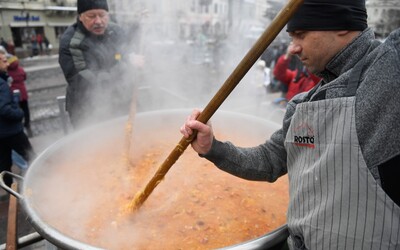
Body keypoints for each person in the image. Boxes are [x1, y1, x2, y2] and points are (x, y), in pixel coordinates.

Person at [180, 0, 400, 248]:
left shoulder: (387, 74)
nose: (293, 48)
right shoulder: (300, 105)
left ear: (341, 24)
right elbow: (268, 161)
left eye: (300, 35)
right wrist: (213, 148)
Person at [59, 0, 144, 129]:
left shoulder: (114, 31)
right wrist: (126, 66)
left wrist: (137, 25)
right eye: (92, 16)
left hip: (120, 103)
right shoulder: (71, 42)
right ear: (80, 17)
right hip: (87, 111)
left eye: (102, 15)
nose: (98, 21)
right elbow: (84, 82)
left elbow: (127, 46)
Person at [0, 53, 36, 187]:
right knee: (32, 158)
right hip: (11, 131)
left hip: (2, 133)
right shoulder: (1, 83)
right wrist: (19, 113)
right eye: (4, 61)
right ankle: (42, 185)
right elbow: (3, 109)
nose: (7, 64)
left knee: (4, 166)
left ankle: (9, 192)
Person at [7, 55, 33, 137]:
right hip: (23, 93)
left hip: (14, 95)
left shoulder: (7, 72)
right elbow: (24, 77)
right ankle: (27, 124)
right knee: (26, 110)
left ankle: (19, 125)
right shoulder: (20, 69)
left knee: (17, 110)